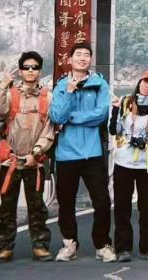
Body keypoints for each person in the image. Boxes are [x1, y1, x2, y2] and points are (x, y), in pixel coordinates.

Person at [49, 41, 115, 263]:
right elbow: (56, 117)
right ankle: (70, 243)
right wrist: (69, 93)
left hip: (92, 152)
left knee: (102, 201)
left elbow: (101, 114)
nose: (82, 58)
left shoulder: (99, 84)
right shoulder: (61, 86)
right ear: (70, 59)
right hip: (66, 154)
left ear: (90, 59)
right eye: (78, 54)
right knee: (66, 202)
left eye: (87, 54)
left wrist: (72, 118)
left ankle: (102, 244)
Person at [0, 51, 56, 263]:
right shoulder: (10, 94)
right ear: (20, 71)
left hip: (35, 162)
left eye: (34, 67)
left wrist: (36, 153)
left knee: (37, 207)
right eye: (26, 67)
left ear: (40, 71)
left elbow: (49, 130)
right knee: (7, 207)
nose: (30, 70)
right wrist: (2, 87)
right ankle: (5, 247)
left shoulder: (47, 97)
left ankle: (40, 246)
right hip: (10, 161)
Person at [109, 69, 148, 261]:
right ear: (139, 82)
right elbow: (113, 130)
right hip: (123, 162)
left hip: (147, 164)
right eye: (145, 81)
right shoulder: (126, 101)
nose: (147, 86)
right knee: (122, 207)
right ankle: (122, 248)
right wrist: (116, 110)